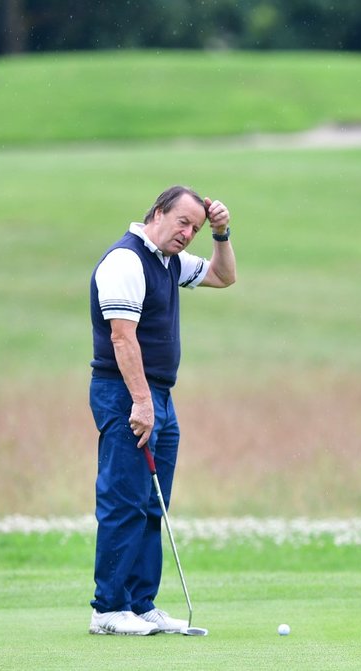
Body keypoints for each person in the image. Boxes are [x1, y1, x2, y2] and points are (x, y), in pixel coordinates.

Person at [88, 186, 236, 635]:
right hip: (125, 393)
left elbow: (222, 277)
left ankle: (139, 602)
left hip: (159, 397)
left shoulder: (167, 263)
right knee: (124, 499)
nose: (188, 233)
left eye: (195, 227)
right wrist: (141, 402)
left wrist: (222, 233)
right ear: (157, 213)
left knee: (153, 503)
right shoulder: (126, 260)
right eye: (182, 223)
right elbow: (121, 339)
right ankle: (108, 609)